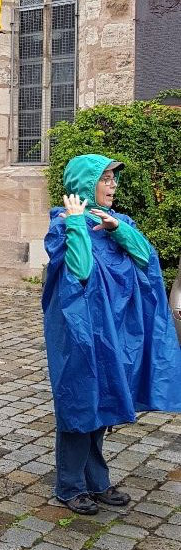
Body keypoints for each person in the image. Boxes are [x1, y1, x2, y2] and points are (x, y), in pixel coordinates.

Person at [43, 154, 181, 515]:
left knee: (101, 403)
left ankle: (97, 480)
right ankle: (70, 486)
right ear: (85, 184)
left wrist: (119, 230)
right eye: (105, 178)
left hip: (114, 331)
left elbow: (147, 260)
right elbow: (80, 271)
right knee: (79, 403)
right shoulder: (62, 226)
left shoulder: (118, 222)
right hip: (79, 334)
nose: (113, 185)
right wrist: (76, 224)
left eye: (113, 179)